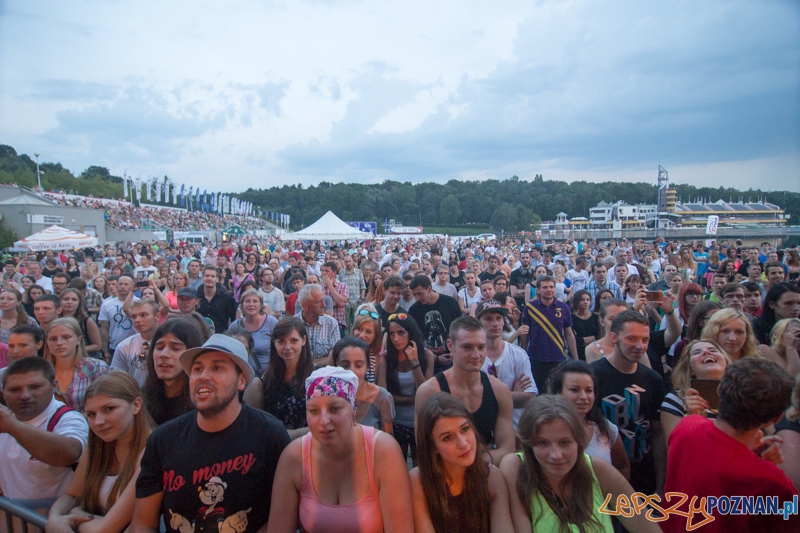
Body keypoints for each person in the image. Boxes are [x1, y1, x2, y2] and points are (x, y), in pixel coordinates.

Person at [131, 334, 291, 533]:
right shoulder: (163, 440)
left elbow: (282, 521)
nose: (203, 376)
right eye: (197, 369)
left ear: (241, 381)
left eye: (217, 368)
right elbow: (143, 524)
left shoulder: (270, 436)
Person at [267, 366, 413, 533]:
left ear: (353, 409)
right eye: (314, 411)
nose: (324, 420)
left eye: (334, 408)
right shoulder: (294, 457)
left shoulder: (383, 451)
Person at [662, 358, 799, 532]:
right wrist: (755, 462)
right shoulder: (773, 483)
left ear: (719, 390)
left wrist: (750, 456)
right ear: (775, 419)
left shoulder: (686, 427)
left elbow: (713, 463)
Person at [500, 395, 661, 533]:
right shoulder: (515, 467)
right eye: (542, 443)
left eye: (564, 442)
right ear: (529, 443)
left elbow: (647, 527)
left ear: (579, 441)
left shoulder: (599, 470)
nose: (556, 454)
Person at [47, 372, 155, 533]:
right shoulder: (98, 445)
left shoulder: (153, 450)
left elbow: (104, 529)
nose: (98, 422)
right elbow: (71, 495)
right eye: (91, 414)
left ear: (136, 405)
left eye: (109, 409)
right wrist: (55, 518)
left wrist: (76, 516)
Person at [415, 316, 515, 466]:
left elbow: (508, 449)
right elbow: (424, 450)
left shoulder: (499, 390)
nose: (476, 355)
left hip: (484, 474)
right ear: (450, 345)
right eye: (467, 347)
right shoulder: (429, 391)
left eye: (481, 347)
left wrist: (468, 460)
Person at [410, 393, 513, 532]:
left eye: (465, 429)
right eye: (448, 438)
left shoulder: (491, 476)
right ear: (434, 447)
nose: (463, 443)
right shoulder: (419, 481)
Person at [591, 310, 666, 495]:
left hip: (644, 477)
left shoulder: (653, 380)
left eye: (645, 340)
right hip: (601, 475)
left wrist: (661, 483)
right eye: (631, 339)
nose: (640, 346)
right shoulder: (592, 376)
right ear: (613, 337)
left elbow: (657, 433)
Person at [0, 357, 89, 513]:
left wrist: (12, 426)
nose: (24, 395)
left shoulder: (67, 418)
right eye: (15, 389)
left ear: (54, 386)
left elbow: (69, 453)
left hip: (55, 524)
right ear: (3, 393)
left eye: (35, 387)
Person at [547, 360, 630, 479]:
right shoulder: (543, 429)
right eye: (575, 390)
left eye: (589, 390)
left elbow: (623, 467)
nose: (584, 397)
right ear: (559, 392)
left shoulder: (606, 428)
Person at [244, 317, 315, 439]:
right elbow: (256, 426)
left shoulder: (317, 377)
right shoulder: (263, 382)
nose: (287, 347)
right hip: (276, 448)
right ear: (274, 343)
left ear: (303, 341)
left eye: (293, 341)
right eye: (281, 341)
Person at [379, 312, 434, 465]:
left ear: (411, 333)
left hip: (420, 421)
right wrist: (415, 399)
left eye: (401, 333)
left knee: (421, 466)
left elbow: (427, 394)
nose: (396, 338)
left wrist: (415, 363)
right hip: (396, 422)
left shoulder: (427, 356)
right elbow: (384, 396)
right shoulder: (385, 358)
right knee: (397, 465)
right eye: (391, 334)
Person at [478, 299, 537, 428]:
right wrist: (511, 393)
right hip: (483, 431)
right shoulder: (473, 357)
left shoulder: (519, 354)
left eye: (499, 318)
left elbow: (529, 397)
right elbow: (470, 397)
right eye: (488, 319)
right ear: (478, 323)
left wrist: (487, 396)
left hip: (515, 428)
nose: (495, 323)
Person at [660, 340, 731, 441]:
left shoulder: (741, 397)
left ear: (726, 363)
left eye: (713, 350)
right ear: (690, 369)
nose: (706, 352)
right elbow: (676, 451)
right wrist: (692, 418)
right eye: (697, 352)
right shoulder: (676, 400)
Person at [142, 318, 204, 426]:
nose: (164, 354)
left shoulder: (204, 403)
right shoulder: (141, 399)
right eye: (159, 347)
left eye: (175, 348)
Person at [520, 276, 579, 390]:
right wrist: (524, 354)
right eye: (545, 287)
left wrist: (575, 358)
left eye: (551, 287)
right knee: (538, 390)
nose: (549, 290)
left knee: (559, 390)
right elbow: (524, 332)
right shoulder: (530, 307)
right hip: (536, 356)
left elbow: (569, 333)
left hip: (558, 356)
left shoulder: (563, 307)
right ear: (538, 290)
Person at [45, 317, 109, 413]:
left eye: (66, 337)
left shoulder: (96, 367)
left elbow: (106, 404)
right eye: (53, 339)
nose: (59, 343)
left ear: (78, 340)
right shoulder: (41, 372)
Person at [332, 337, 394, 433]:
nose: (351, 371)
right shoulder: (326, 395)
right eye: (345, 365)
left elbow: (388, 439)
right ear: (336, 366)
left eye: (358, 365)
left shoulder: (382, 398)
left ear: (367, 367)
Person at [408, 274, 463, 373]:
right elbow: (415, 338)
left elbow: (460, 329)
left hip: (453, 357)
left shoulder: (450, 303)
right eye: (414, 294)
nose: (417, 298)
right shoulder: (414, 310)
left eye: (420, 294)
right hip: (427, 361)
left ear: (429, 288)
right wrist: (434, 357)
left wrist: (454, 351)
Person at [110, 299, 160, 387]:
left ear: (157, 316)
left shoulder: (170, 344)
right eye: (134, 316)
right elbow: (116, 379)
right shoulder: (124, 347)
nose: (137, 320)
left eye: (143, 315)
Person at [230, 288, 278, 371]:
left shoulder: (271, 322)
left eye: (255, 301)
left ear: (261, 305)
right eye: (247, 301)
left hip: (267, 375)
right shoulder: (235, 325)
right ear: (242, 305)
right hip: (243, 373)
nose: (251, 304)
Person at [295, 283, 341, 362]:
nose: (324, 305)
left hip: (324, 372)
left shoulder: (331, 323)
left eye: (323, 300)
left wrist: (313, 364)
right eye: (319, 302)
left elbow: (336, 356)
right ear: (305, 306)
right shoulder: (293, 324)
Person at [98, 274, 137, 362]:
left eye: (126, 284)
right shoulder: (107, 304)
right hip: (115, 346)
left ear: (132, 286)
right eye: (120, 284)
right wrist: (105, 349)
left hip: (135, 344)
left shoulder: (139, 302)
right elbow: (104, 328)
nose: (122, 286)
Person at [196, 265, 237, 334]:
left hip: (220, 338)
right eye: (207, 276)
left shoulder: (227, 298)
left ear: (217, 279)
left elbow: (234, 320)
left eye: (212, 276)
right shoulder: (196, 298)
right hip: (199, 337)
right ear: (202, 278)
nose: (209, 278)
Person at [351, 306, 385, 384]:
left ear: (375, 335)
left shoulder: (379, 361)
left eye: (368, 332)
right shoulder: (339, 352)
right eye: (359, 329)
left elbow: (383, 393)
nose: (362, 335)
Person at [571, 290, 600, 362]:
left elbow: (599, 336)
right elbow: (575, 340)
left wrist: (584, 340)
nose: (586, 302)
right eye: (582, 300)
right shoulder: (571, 318)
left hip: (594, 353)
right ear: (576, 301)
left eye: (588, 300)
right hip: (578, 354)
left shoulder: (595, 317)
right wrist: (592, 337)